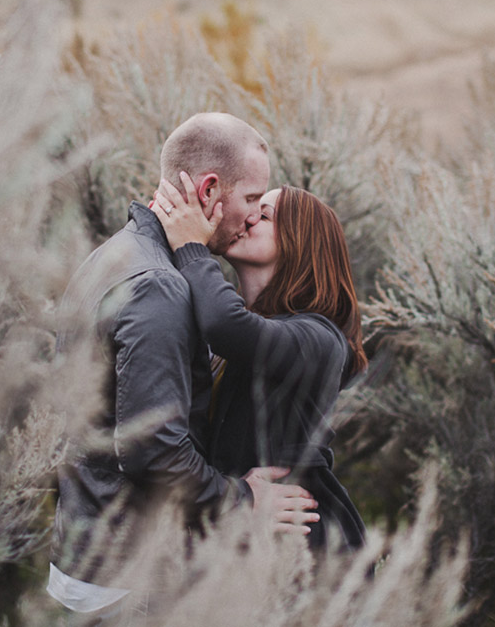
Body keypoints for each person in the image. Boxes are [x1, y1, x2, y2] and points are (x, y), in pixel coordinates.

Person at [48, 113, 319, 619]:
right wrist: (244, 499)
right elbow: (154, 451)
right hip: (128, 580)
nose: (253, 217)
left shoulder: (114, 255)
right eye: (251, 201)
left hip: (88, 554)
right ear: (211, 189)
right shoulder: (159, 286)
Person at [151, 174, 368, 550]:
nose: (248, 218)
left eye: (264, 215)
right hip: (244, 540)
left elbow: (227, 324)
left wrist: (190, 245)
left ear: (300, 243)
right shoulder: (236, 340)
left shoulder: (321, 339)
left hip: (305, 547)